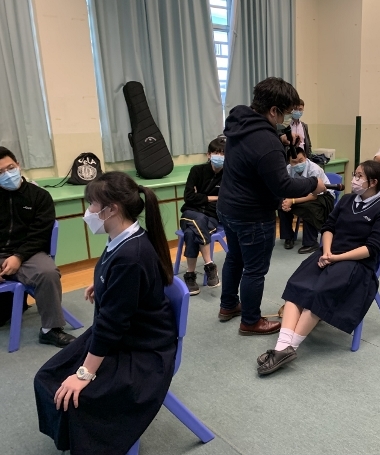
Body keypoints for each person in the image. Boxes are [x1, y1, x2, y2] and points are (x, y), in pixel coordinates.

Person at [34, 172, 177, 455]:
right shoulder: (125, 236)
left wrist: (85, 373)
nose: (88, 212)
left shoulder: (131, 256)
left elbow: (112, 324)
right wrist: (102, 285)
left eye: (92, 205)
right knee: (48, 377)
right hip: (125, 334)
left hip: (142, 349)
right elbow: (121, 283)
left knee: (71, 394)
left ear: (112, 209)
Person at [256, 161, 380, 375]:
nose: (354, 179)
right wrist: (327, 252)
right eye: (355, 174)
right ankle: (282, 348)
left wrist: (337, 258)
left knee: (319, 292)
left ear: (373, 182)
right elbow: (329, 227)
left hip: (357, 263)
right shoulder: (347, 200)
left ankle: (289, 347)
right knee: (297, 284)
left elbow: (372, 248)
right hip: (329, 254)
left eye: (359, 176)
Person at [217, 77, 326, 336]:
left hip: (228, 207)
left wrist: (280, 139)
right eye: (284, 114)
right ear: (273, 110)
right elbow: (283, 186)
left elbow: (255, 159)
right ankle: (251, 321)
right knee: (255, 269)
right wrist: (314, 183)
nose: (286, 120)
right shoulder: (266, 141)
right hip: (252, 214)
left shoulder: (239, 123)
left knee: (234, 258)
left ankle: (228, 306)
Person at [0, 147, 75, 348]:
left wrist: (19, 256)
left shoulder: (39, 196)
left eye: (10, 168)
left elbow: (40, 234)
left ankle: (51, 330)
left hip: (29, 253)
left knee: (48, 273)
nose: (7, 174)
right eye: (0, 172)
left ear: (18, 165)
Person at [179, 136, 226, 295]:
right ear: (209, 155)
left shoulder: (228, 175)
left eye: (223, 153)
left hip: (211, 217)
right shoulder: (197, 171)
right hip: (190, 213)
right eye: (216, 153)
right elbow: (188, 197)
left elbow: (227, 198)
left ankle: (190, 275)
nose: (219, 156)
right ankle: (209, 265)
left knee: (191, 233)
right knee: (198, 220)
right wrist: (214, 197)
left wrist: (201, 197)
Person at [278, 147, 335, 254]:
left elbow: (313, 196)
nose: (298, 164)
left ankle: (311, 243)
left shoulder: (314, 169)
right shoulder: (288, 169)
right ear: (289, 162)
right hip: (301, 194)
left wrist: (293, 201)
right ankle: (289, 237)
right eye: (294, 162)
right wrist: (287, 201)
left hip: (323, 196)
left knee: (309, 208)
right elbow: (287, 188)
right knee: (282, 205)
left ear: (305, 157)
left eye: (301, 161)